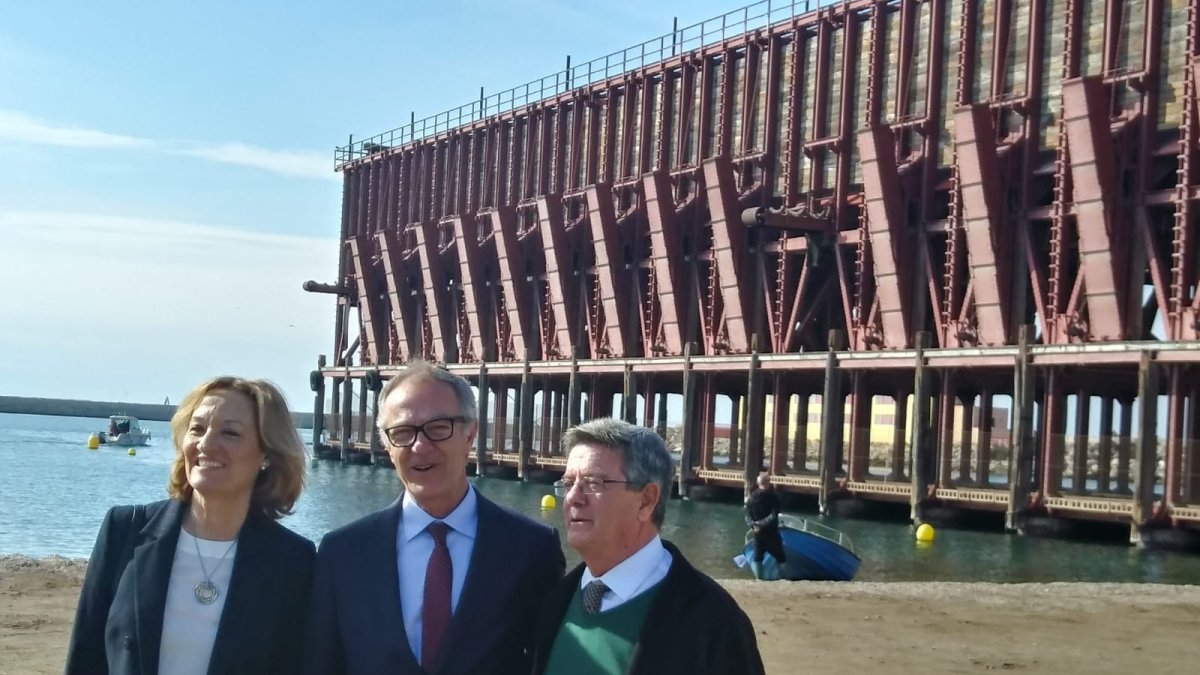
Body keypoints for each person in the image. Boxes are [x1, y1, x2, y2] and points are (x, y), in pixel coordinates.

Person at [302, 360, 565, 675]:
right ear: (386, 445)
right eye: (402, 432)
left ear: (470, 433)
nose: (421, 446)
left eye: (439, 428)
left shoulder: (532, 548)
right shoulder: (342, 552)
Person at [66, 377, 315, 675]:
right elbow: (85, 657)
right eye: (197, 429)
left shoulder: (293, 561)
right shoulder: (124, 531)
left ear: (266, 455)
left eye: (230, 433)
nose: (206, 444)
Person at [531, 418, 765, 675]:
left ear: (646, 501)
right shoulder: (555, 601)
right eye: (568, 484)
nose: (573, 497)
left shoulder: (713, 621)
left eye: (593, 483)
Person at [745, 472, 786, 566]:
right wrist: (761, 523)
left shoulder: (751, 497)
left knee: (758, 556)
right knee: (780, 556)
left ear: (758, 483)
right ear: (768, 482)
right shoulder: (773, 497)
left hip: (757, 532)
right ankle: (783, 576)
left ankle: (759, 578)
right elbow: (774, 515)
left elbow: (747, 515)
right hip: (771, 531)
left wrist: (753, 524)